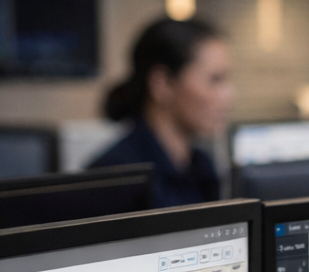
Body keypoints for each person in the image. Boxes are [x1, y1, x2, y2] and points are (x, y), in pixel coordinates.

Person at [90, 18, 233, 208]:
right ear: (162, 83)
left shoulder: (201, 166)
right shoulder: (114, 177)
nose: (229, 96)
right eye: (215, 80)